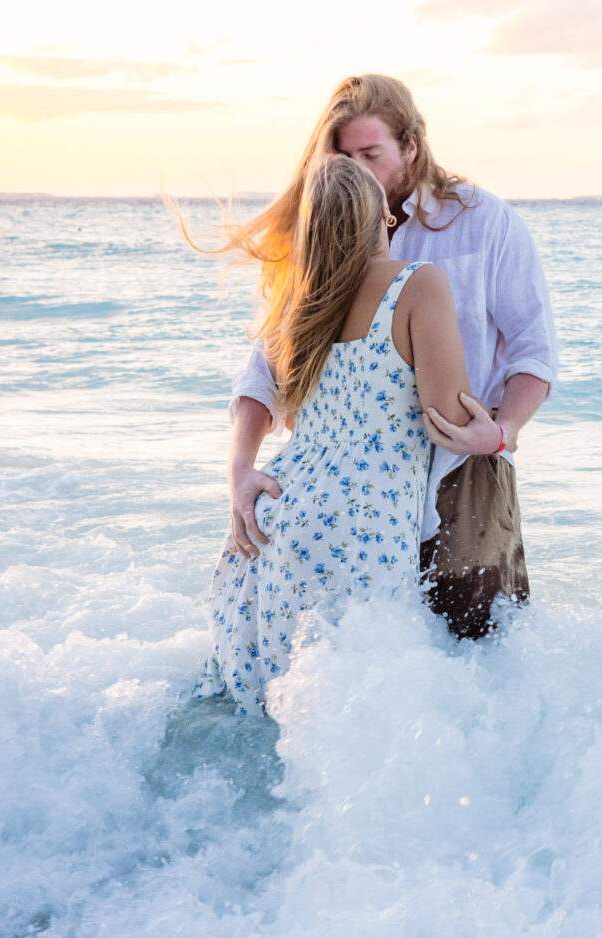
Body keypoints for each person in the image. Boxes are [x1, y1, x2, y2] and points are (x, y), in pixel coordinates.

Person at [226, 74, 558, 640]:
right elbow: (266, 366)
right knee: (350, 654)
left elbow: (535, 351)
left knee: (479, 647)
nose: (356, 169)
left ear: (411, 145)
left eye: (370, 154)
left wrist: (501, 433)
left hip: (460, 474)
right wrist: (240, 468)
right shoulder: (320, 233)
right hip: (354, 498)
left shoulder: (485, 222)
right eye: (343, 157)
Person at [183, 153, 473, 717]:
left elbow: (261, 388)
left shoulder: (297, 302)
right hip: (361, 524)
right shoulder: (419, 284)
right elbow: (449, 420)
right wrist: (494, 431)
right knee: (353, 715)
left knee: (266, 711)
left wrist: (239, 466)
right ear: (383, 216)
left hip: (275, 513)